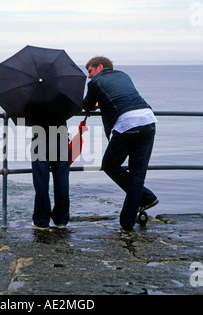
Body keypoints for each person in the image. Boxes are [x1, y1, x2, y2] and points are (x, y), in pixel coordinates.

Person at [83, 56, 159, 231]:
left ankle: (146, 198)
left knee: (110, 165)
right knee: (137, 174)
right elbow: (119, 96)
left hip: (127, 124)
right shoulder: (124, 75)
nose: (89, 76)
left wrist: (95, 104)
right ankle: (127, 222)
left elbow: (86, 105)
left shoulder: (95, 82)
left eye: (90, 71)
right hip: (148, 121)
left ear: (99, 67)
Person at [27, 100, 71, 231]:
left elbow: (25, 119)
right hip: (61, 139)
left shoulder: (32, 96)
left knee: (41, 182)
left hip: (40, 140)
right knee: (62, 181)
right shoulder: (62, 94)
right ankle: (61, 219)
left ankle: (41, 220)